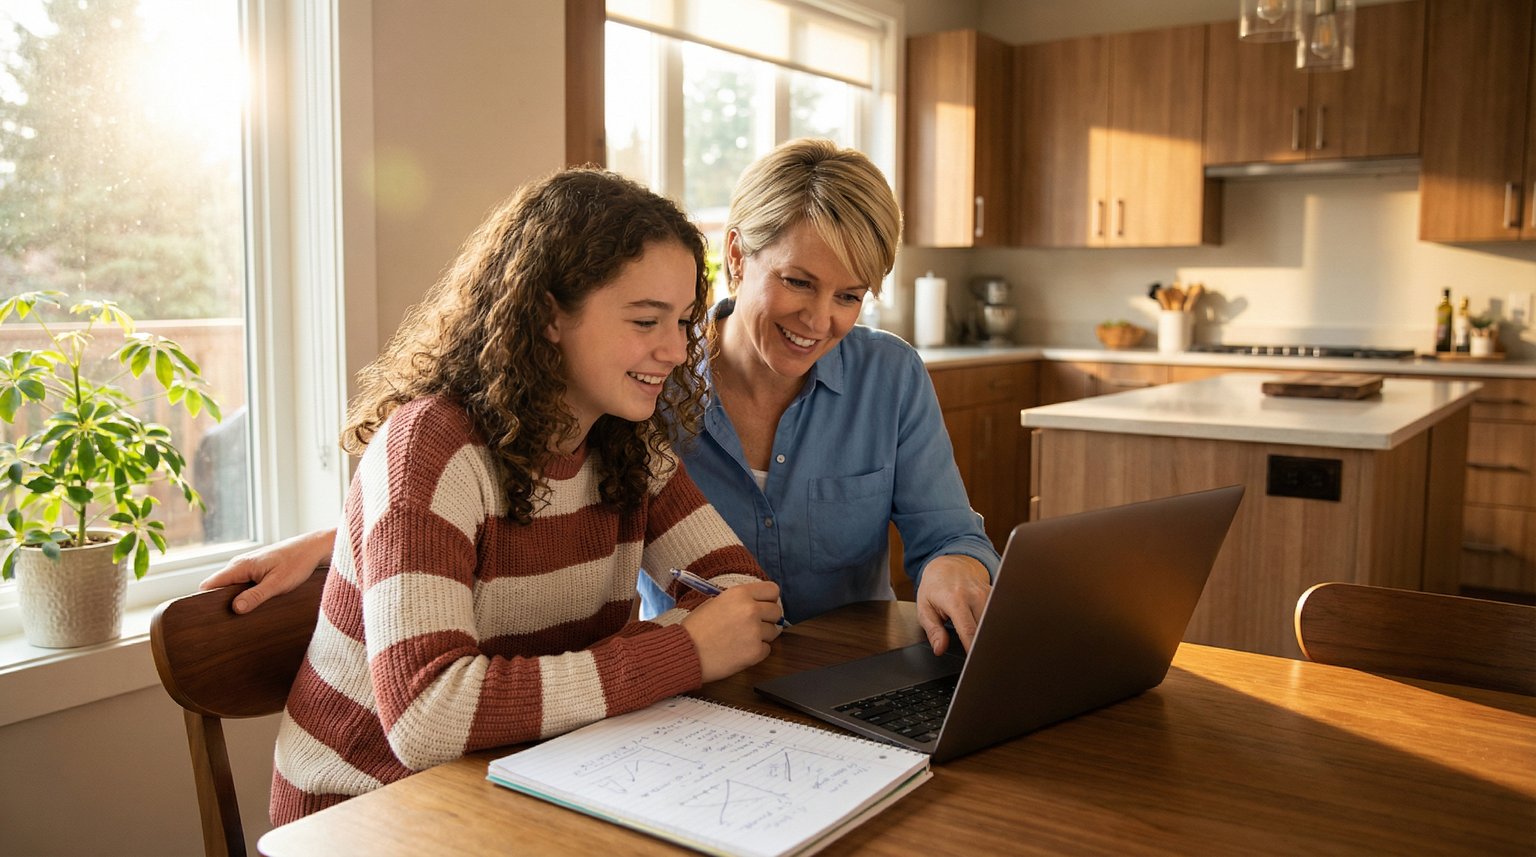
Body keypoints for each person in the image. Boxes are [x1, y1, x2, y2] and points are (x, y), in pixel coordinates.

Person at [203, 138, 997, 657]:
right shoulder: (645, 389)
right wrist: (351, 532)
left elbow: (946, 533)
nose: (821, 319)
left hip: (816, 682)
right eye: (798, 281)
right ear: (736, 254)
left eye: (851, 295)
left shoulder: (883, 378)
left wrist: (953, 566)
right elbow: (494, 483)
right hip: (691, 691)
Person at [265, 168, 783, 825]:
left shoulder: (627, 444)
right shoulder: (429, 449)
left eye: (683, 321)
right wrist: (683, 650)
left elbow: (740, 595)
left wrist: (701, 635)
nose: (678, 350)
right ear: (547, 316)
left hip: (524, 780)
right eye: (647, 320)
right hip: (363, 812)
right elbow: (427, 715)